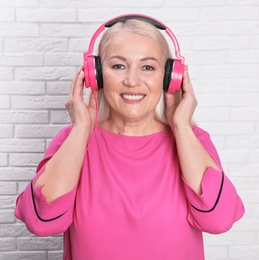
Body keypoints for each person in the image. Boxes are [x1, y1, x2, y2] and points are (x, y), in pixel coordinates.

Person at [15, 14, 244, 260]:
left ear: (169, 78)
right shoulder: (74, 140)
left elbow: (218, 221)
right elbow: (42, 221)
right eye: (118, 66)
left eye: (148, 67)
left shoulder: (192, 140)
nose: (132, 81)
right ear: (96, 76)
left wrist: (181, 126)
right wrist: (81, 128)